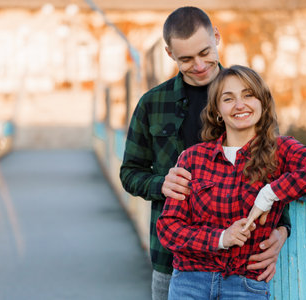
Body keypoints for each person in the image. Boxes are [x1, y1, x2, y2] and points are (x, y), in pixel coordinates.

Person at [120, 7, 291, 299]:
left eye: (204, 52)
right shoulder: (152, 104)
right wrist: (160, 183)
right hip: (173, 260)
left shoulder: (250, 97)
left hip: (243, 265)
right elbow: (129, 172)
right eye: (186, 58)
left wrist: (283, 229)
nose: (199, 65)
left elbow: (275, 167)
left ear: (216, 37)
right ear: (169, 53)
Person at [156, 65, 306, 299]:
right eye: (228, 99)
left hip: (245, 286)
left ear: (262, 102)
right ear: (217, 110)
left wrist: (270, 193)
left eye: (248, 95)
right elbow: (168, 228)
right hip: (190, 282)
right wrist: (221, 238)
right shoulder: (193, 158)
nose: (240, 105)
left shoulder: (280, 150)